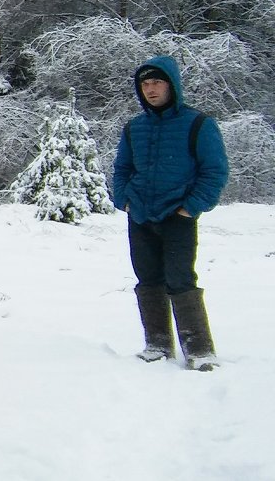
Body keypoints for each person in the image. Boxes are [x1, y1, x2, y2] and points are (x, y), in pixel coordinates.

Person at [112, 55, 229, 371]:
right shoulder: (134, 127)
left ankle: (199, 350)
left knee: (180, 279)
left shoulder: (198, 124)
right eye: (145, 84)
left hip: (178, 216)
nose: (150, 89)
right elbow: (122, 167)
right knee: (147, 278)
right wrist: (122, 199)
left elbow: (215, 171)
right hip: (140, 215)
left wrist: (190, 208)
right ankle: (157, 345)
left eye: (156, 82)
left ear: (172, 85)